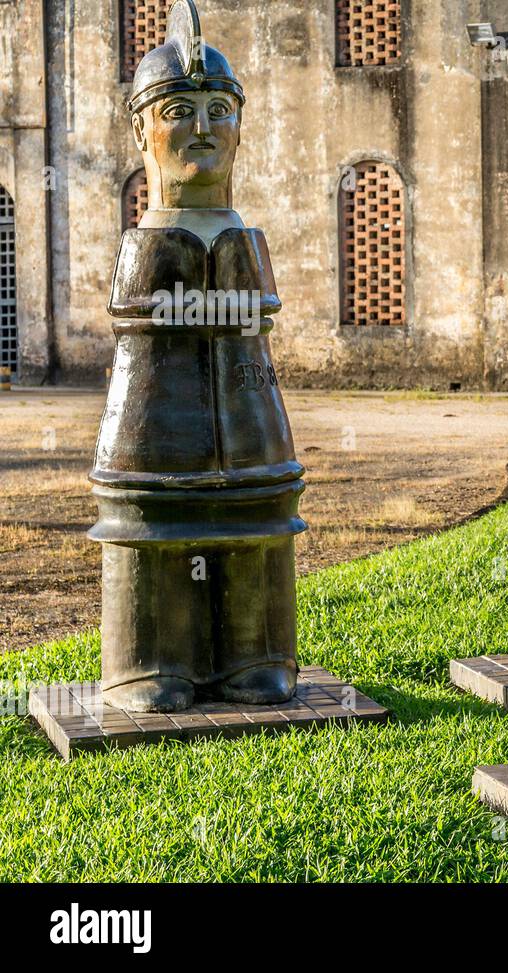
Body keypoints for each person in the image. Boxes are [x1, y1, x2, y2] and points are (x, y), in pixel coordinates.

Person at [91, 0, 305, 712]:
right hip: (158, 424)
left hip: (249, 419)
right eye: (180, 108)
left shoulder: (246, 235)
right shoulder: (146, 240)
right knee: (154, 531)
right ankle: (150, 660)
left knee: (256, 523)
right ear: (141, 126)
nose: (204, 127)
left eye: (219, 107)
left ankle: (257, 653)